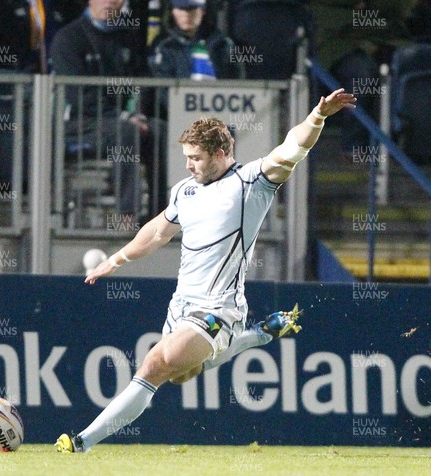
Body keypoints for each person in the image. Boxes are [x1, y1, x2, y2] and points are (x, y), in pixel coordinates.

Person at [55, 87, 357, 453]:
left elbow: (292, 148)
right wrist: (116, 260)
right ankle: (257, 336)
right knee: (182, 374)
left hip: (218, 309)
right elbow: (156, 232)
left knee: (154, 364)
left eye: (196, 158)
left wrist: (317, 117)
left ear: (221, 153)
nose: (188, 165)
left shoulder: (251, 183)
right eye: (186, 157)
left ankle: (81, 443)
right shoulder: (185, 190)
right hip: (180, 306)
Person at [50, 0, 168, 218]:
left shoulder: (129, 37)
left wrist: (138, 113)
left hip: (121, 120)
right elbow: (79, 97)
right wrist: (124, 117)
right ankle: (127, 215)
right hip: (79, 123)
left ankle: (160, 215)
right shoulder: (68, 38)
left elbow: (144, 82)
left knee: (160, 130)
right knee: (125, 131)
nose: (108, 3)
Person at [149, 0, 245, 81]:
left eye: (192, 9)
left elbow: (238, 81)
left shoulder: (223, 44)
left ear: (202, 11)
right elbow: (159, 88)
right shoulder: (164, 45)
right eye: (181, 9)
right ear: (173, 11)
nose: (186, 15)